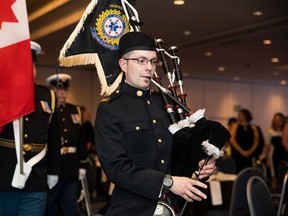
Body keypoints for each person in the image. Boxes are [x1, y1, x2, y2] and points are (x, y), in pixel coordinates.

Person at [94, 31, 216, 216]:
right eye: (141, 61)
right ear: (123, 64)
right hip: (133, 209)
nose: (149, 67)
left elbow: (180, 151)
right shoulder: (111, 109)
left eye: (152, 61)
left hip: (176, 206)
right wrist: (168, 183)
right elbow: (116, 167)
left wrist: (200, 163)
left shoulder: (167, 104)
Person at [0, 41, 61, 216]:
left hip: (36, 180)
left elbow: (54, 139)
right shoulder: (2, 93)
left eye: (31, 64)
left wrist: (54, 171)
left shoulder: (47, 95)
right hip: (4, 178)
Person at [46, 73, 87, 216]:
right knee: (49, 206)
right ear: (51, 89)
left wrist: (82, 164)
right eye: (59, 89)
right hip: (52, 166)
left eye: (65, 89)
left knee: (70, 208)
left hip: (71, 167)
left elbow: (81, 139)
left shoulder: (75, 111)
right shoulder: (47, 110)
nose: (63, 93)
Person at [229, 108, 260, 173]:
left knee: (248, 171)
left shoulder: (253, 127)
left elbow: (256, 141)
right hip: (237, 154)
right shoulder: (235, 126)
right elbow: (232, 140)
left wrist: (250, 151)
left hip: (249, 155)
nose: (239, 116)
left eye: (241, 114)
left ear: (246, 115)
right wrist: (242, 151)